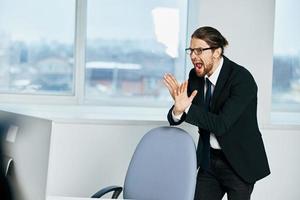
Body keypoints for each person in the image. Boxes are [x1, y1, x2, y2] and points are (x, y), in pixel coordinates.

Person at [163, 26, 270, 200]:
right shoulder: (196, 76)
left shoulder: (241, 79)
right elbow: (176, 118)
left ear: (216, 52)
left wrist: (187, 108)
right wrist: (178, 109)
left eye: (199, 50)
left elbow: (221, 124)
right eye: (191, 50)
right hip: (209, 162)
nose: (193, 56)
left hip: (239, 164)